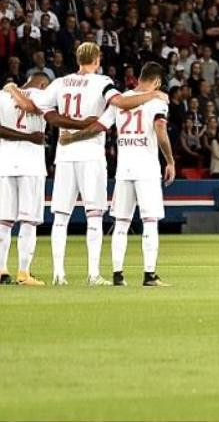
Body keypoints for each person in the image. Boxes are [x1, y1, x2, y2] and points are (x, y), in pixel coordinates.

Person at [4, 42, 166, 286]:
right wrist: (153, 94)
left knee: (60, 216)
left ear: (77, 58)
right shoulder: (102, 83)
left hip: (65, 155)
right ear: (98, 59)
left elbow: (34, 107)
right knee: (94, 216)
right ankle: (93, 274)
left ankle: (59, 274)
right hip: (91, 155)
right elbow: (121, 103)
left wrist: (13, 89)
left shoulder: (60, 82)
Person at [57, 62, 174, 287]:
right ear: (157, 81)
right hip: (147, 169)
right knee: (149, 221)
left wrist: (72, 138)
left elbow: (99, 127)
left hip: (124, 170)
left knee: (121, 223)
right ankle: (149, 275)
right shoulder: (158, 100)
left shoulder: (120, 99)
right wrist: (170, 160)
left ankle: (118, 274)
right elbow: (160, 130)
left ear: (140, 77)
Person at [0, 73, 52, 285]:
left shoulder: (2, 96)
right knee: (29, 220)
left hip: (4, 164)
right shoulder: (41, 95)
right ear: (42, 83)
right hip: (31, 165)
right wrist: (29, 136)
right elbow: (31, 107)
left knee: (3, 221)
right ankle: (23, 273)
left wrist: (11, 88)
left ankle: (1, 269)